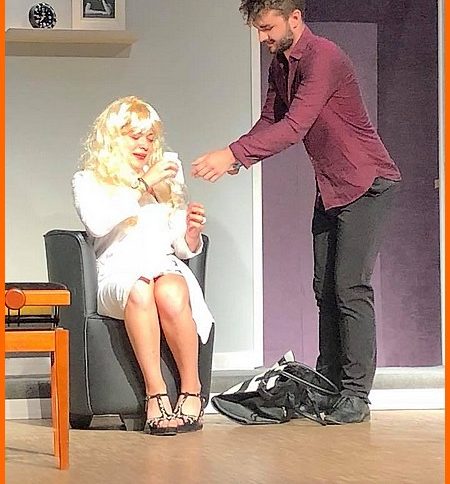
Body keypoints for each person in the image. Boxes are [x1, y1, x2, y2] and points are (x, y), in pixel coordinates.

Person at [191, 0, 401, 424]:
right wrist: (236, 158)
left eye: (268, 28)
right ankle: (328, 385)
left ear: (294, 19)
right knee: (325, 289)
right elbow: (271, 120)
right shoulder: (281, 65)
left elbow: (294, 127)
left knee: (349, 288)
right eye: (259, 30)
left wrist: (234, 153)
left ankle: (356, 395)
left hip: (367, 183)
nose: (263, 38)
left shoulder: (324, 57)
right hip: (332, 188)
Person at [73, 96, 214, 435]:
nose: (144, 145)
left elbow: (180, 248)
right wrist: (142, 185)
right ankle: (156, 395)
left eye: (150, 138)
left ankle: (192, 390)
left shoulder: (166, 183)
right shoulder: (88, 180)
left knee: (171, 289)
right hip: (116, 275)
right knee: (139, 287)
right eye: (134, 136)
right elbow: (97, 224)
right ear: (113, 138)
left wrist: (191, 231)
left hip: (163, 266)